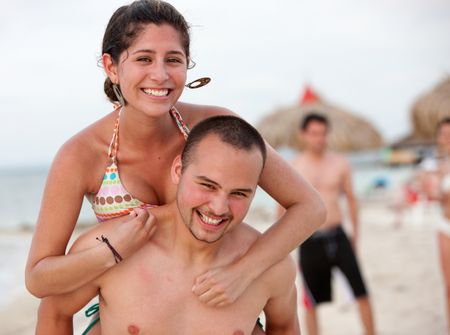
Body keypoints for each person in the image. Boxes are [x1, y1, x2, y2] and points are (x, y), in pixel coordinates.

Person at [25, 0, 325, 333]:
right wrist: (111, 251)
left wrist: (243, 273)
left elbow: (310, 207)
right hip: (134, 297)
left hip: (218, 294)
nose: (161, 74)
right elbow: (39, 278)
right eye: (143, 59)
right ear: (111, 67)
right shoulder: (81, 155)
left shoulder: (214, 128)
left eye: (174, 60)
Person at [38, 115, 301, 335]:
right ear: (178, 171)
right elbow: (54, 312)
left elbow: (285, 326)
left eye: (239, 194)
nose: (219, 208)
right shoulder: (112, 249)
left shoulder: (270, 267)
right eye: (207, 186)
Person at [280, 113, 375, 335]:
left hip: (338, 235)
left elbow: (352, 199)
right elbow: (284, 207)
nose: (319, 138)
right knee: (311, 302)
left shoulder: (340, 163)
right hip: (309, 239)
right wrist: (284, 245)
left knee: (361, 293)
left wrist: (356, 235)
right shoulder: (294, 166)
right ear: (303, 135)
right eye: (314, 133)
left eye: (322, 133)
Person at [419, 117, 450, 333]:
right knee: (449, 285)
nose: (447, 138)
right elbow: (431, 193)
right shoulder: (433, 165)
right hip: (445, 225)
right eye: (444, 134)